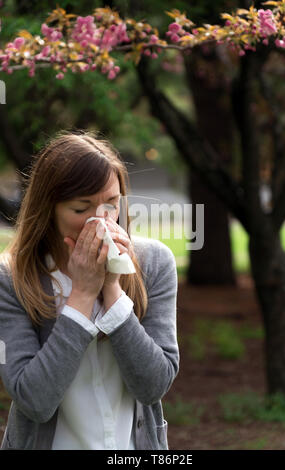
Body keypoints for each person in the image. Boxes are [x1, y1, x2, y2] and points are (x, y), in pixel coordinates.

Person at [0, 129, 179, 450]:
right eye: (81, 209)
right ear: (48, 209)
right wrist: (81, 296)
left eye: (111, 204)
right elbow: (34, 400)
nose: (101, 221)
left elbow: (153, 386)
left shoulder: (154, 264)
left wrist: (112, 289)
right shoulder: (12, 277)